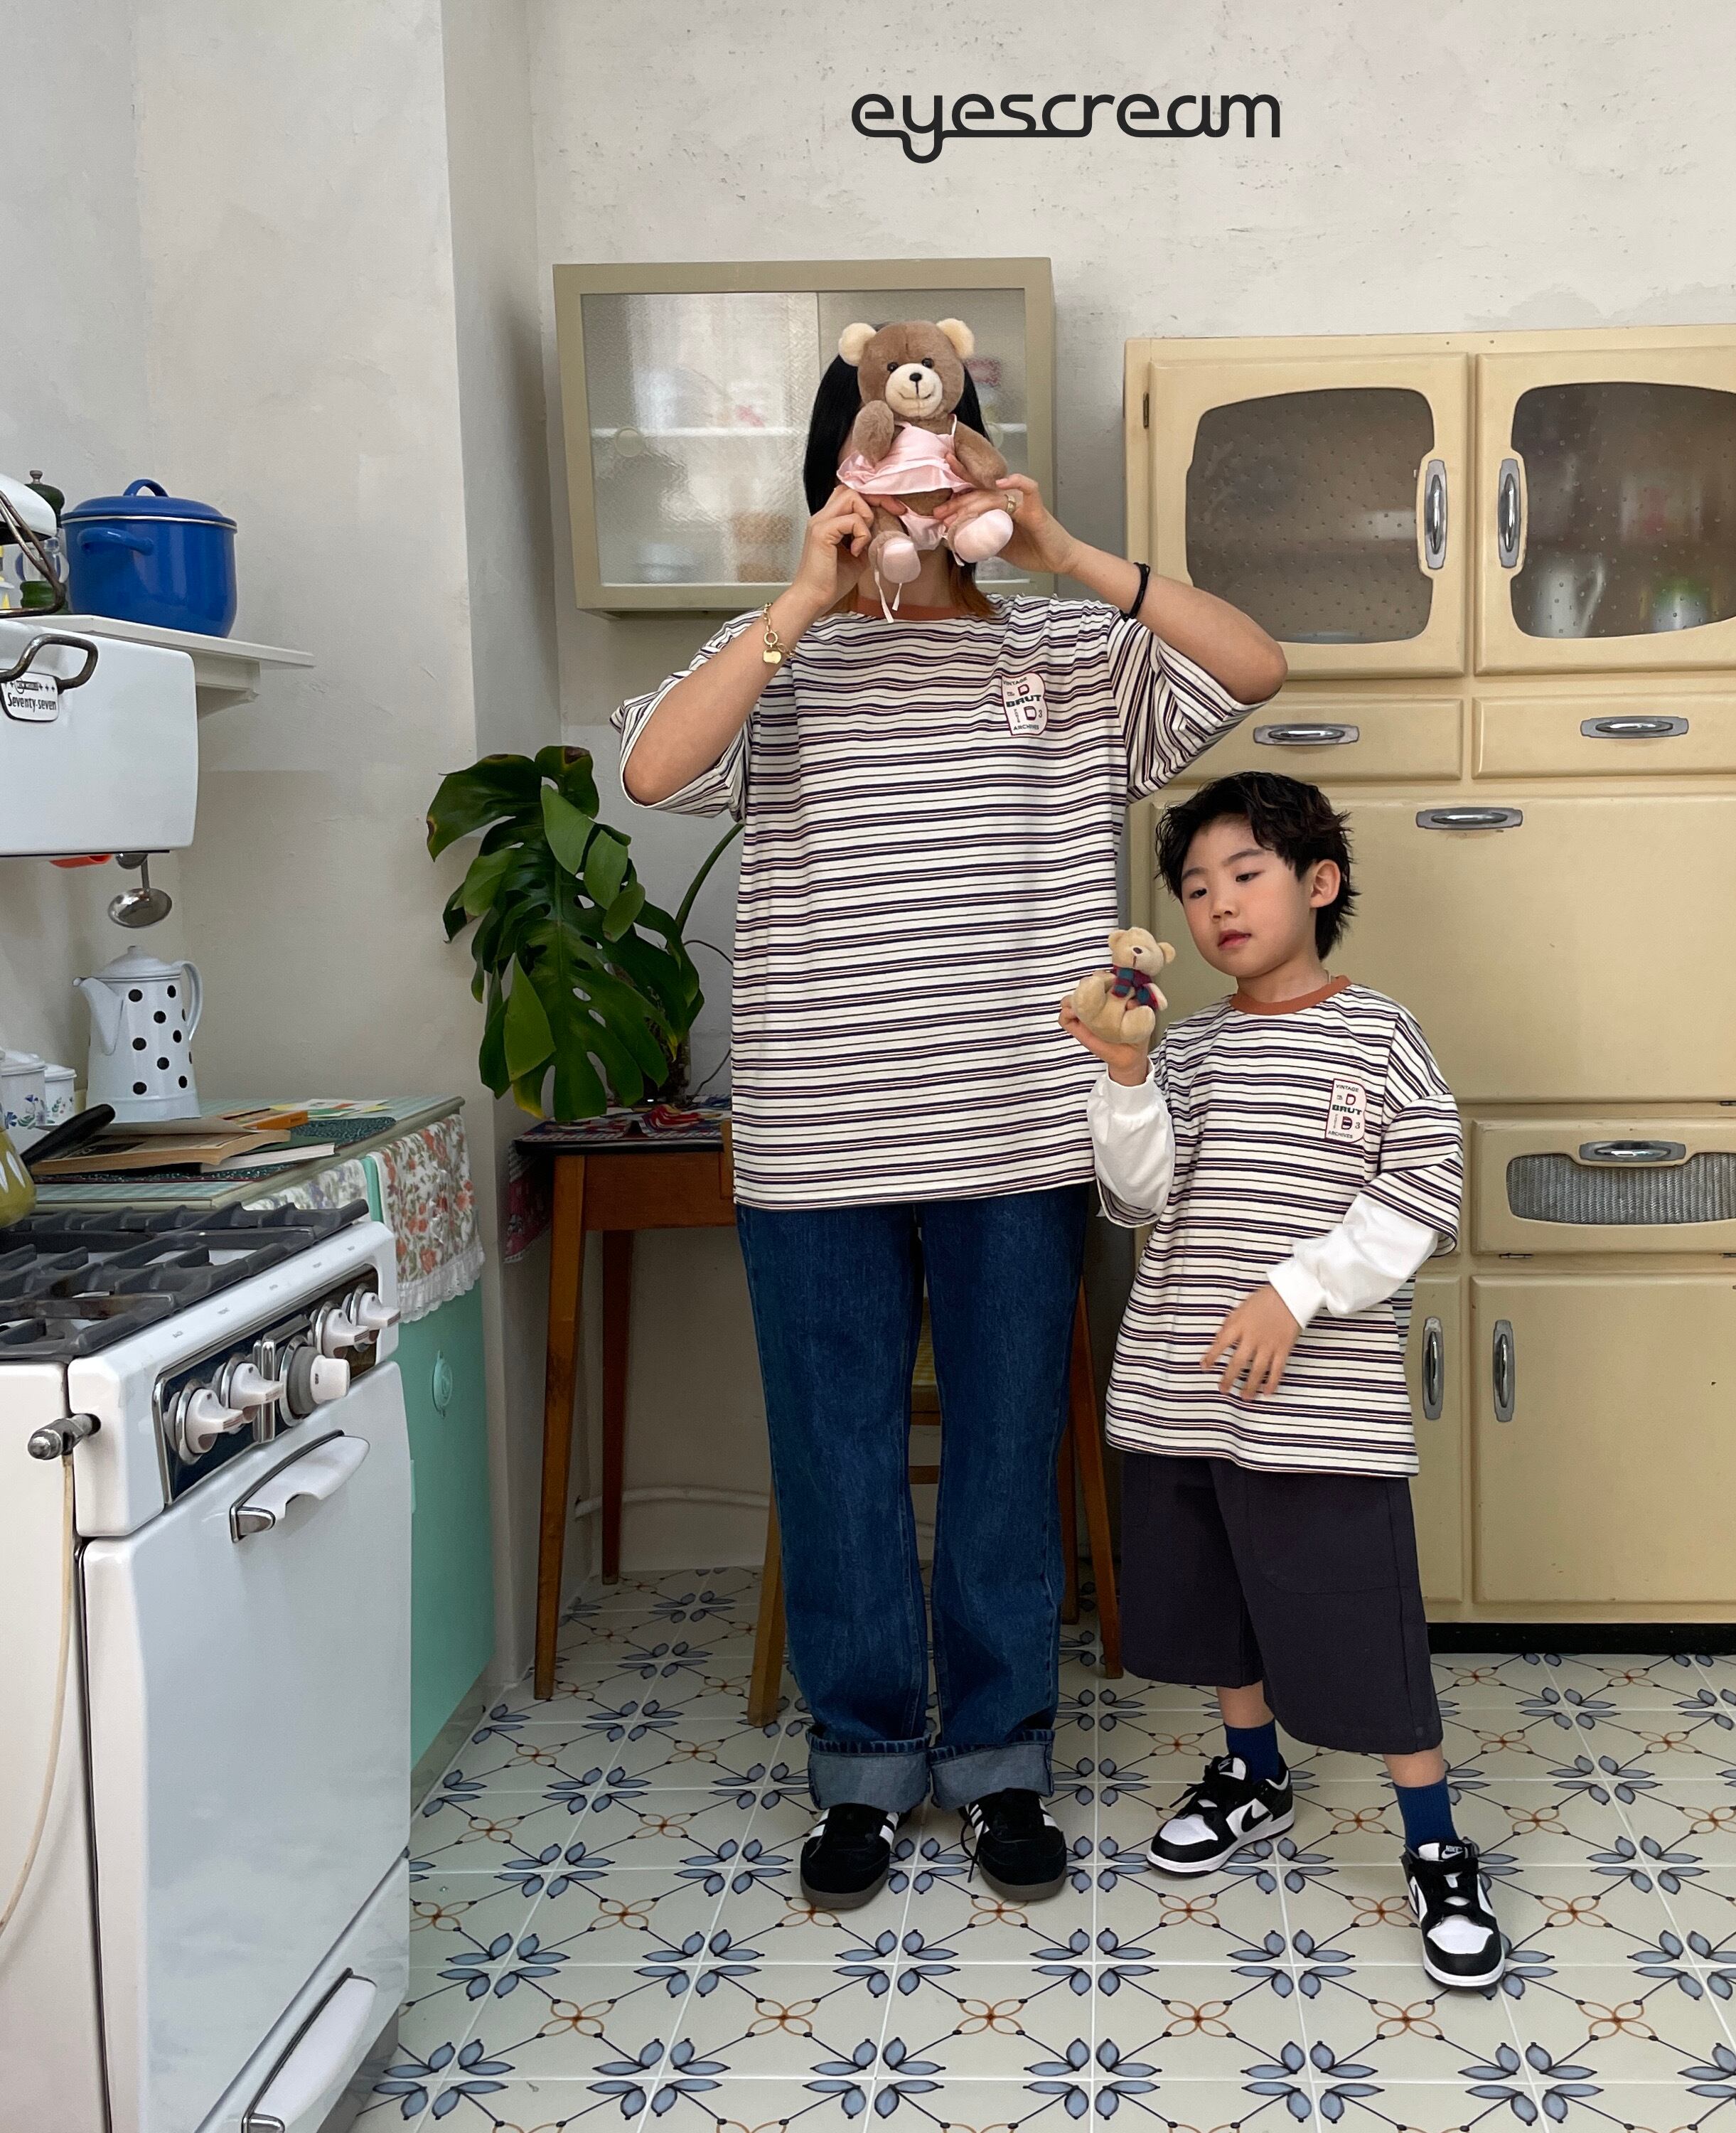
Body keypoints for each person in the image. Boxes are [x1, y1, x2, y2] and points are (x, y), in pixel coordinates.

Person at [614, 353, 1285, 1912]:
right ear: (839, 486)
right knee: (835, 1461)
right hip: (817, 1141)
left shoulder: (1066, 651)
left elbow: (1254, 664)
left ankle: (997, 1761)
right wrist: (801, 599)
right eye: (885, 463)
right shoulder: (779, 659)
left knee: (1002, 1457)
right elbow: (651, 769)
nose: (918, 489)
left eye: (944, 458)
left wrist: (1063, 551)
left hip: (1020, 1135)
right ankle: (861, 1763)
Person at [1059, 771, 1509, 1989]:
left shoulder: (1380, 1034)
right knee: (1221, 1602)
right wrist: (1125, 1078)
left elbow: (1424, 1190)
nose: (1218, 904)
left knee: (1359, 1617)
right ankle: (1251, 1772)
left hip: (1325, 1404)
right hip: (1184, 1386)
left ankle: (1434, 1843)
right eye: (1196, 887)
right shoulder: (1186, 1048)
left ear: (1319, 883)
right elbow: (1136, 1199)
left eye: (1245, 875)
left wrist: (1296, 1290)